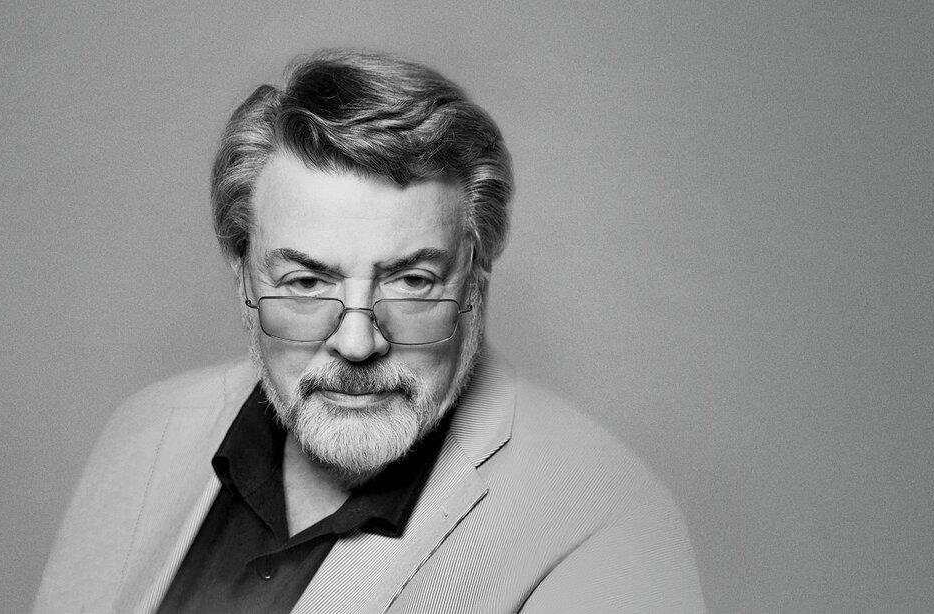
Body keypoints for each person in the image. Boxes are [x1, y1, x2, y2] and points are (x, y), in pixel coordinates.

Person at [34, 49, 705, 613]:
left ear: (475, 281)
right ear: (244, 280)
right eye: (305, 282)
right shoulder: (142, 434)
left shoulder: (604, 521)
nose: (357, 345)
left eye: (412, 281)